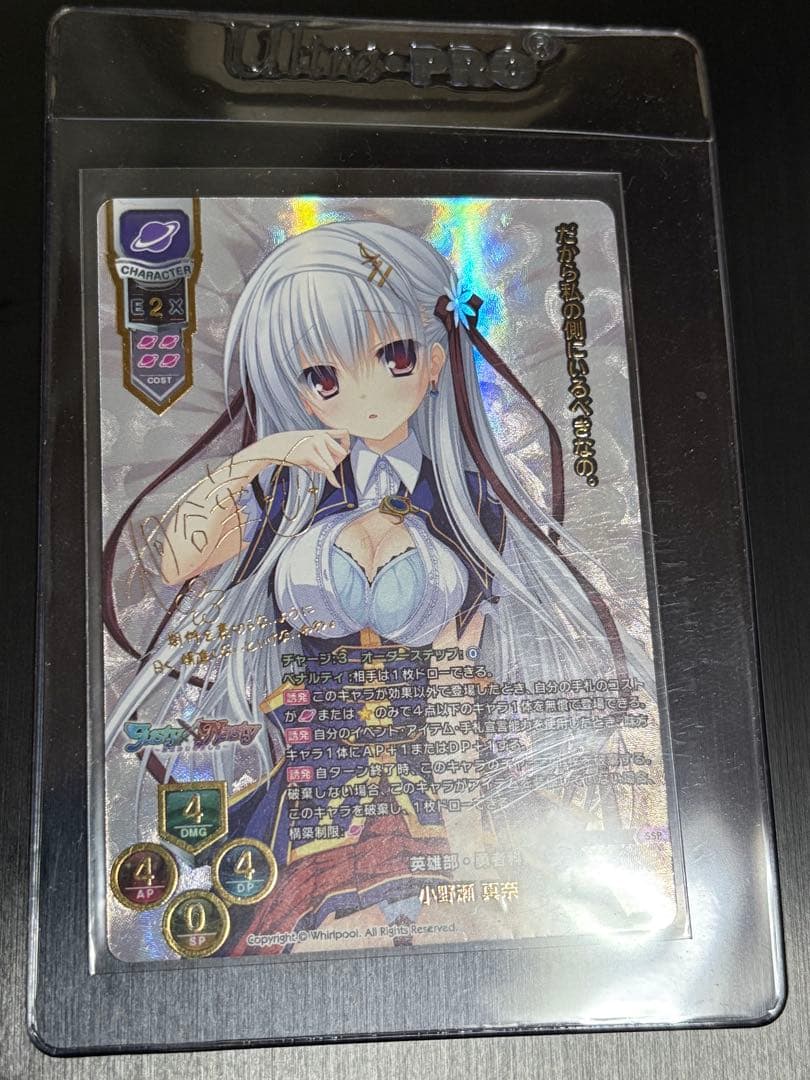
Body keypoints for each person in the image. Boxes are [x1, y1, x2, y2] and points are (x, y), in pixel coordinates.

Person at [105, 220, 650, 952]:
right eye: (323, 376)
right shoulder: (291, 494)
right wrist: (260, 456)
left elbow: (473, 669)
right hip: (310, 794)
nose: (360, 391)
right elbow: (177, 560)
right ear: (300, 388)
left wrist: (472, 809)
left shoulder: (472, 505)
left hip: (446, 787)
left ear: (434, 362)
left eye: (392, 356)